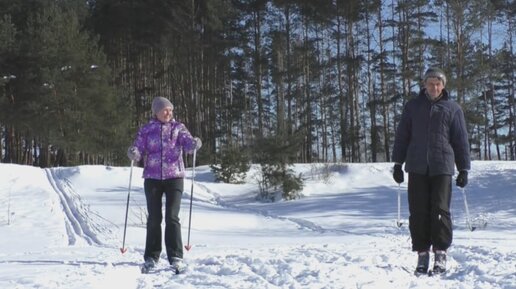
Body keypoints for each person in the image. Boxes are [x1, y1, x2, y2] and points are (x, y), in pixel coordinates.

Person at [391, 67, 470, 275]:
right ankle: (422, 254)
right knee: (418, 211)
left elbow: (460, 140)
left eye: (438, 83)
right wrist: (397, 163)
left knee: (440, 210)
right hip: (416, 166)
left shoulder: (453, 108)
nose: (434, 87)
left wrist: (463, 168)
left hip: (442, 166)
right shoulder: (413, 107)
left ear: (443, 86)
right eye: (430, 83)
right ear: (424, 85)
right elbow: (402, 136)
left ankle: (441, 252)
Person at [127, 96, 202, 272]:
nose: (168, 113)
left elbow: (188, 143)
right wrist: (133, 152)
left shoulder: (178, 128)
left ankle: (175, 255)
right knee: (154, 218)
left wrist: (194, 143)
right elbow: (138, 149)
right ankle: (151, 256)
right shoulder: (147, 129)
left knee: (172, 216)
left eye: (170, 110)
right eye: (164, 110)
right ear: (156, 112)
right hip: (152, 178)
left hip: (174, 177)